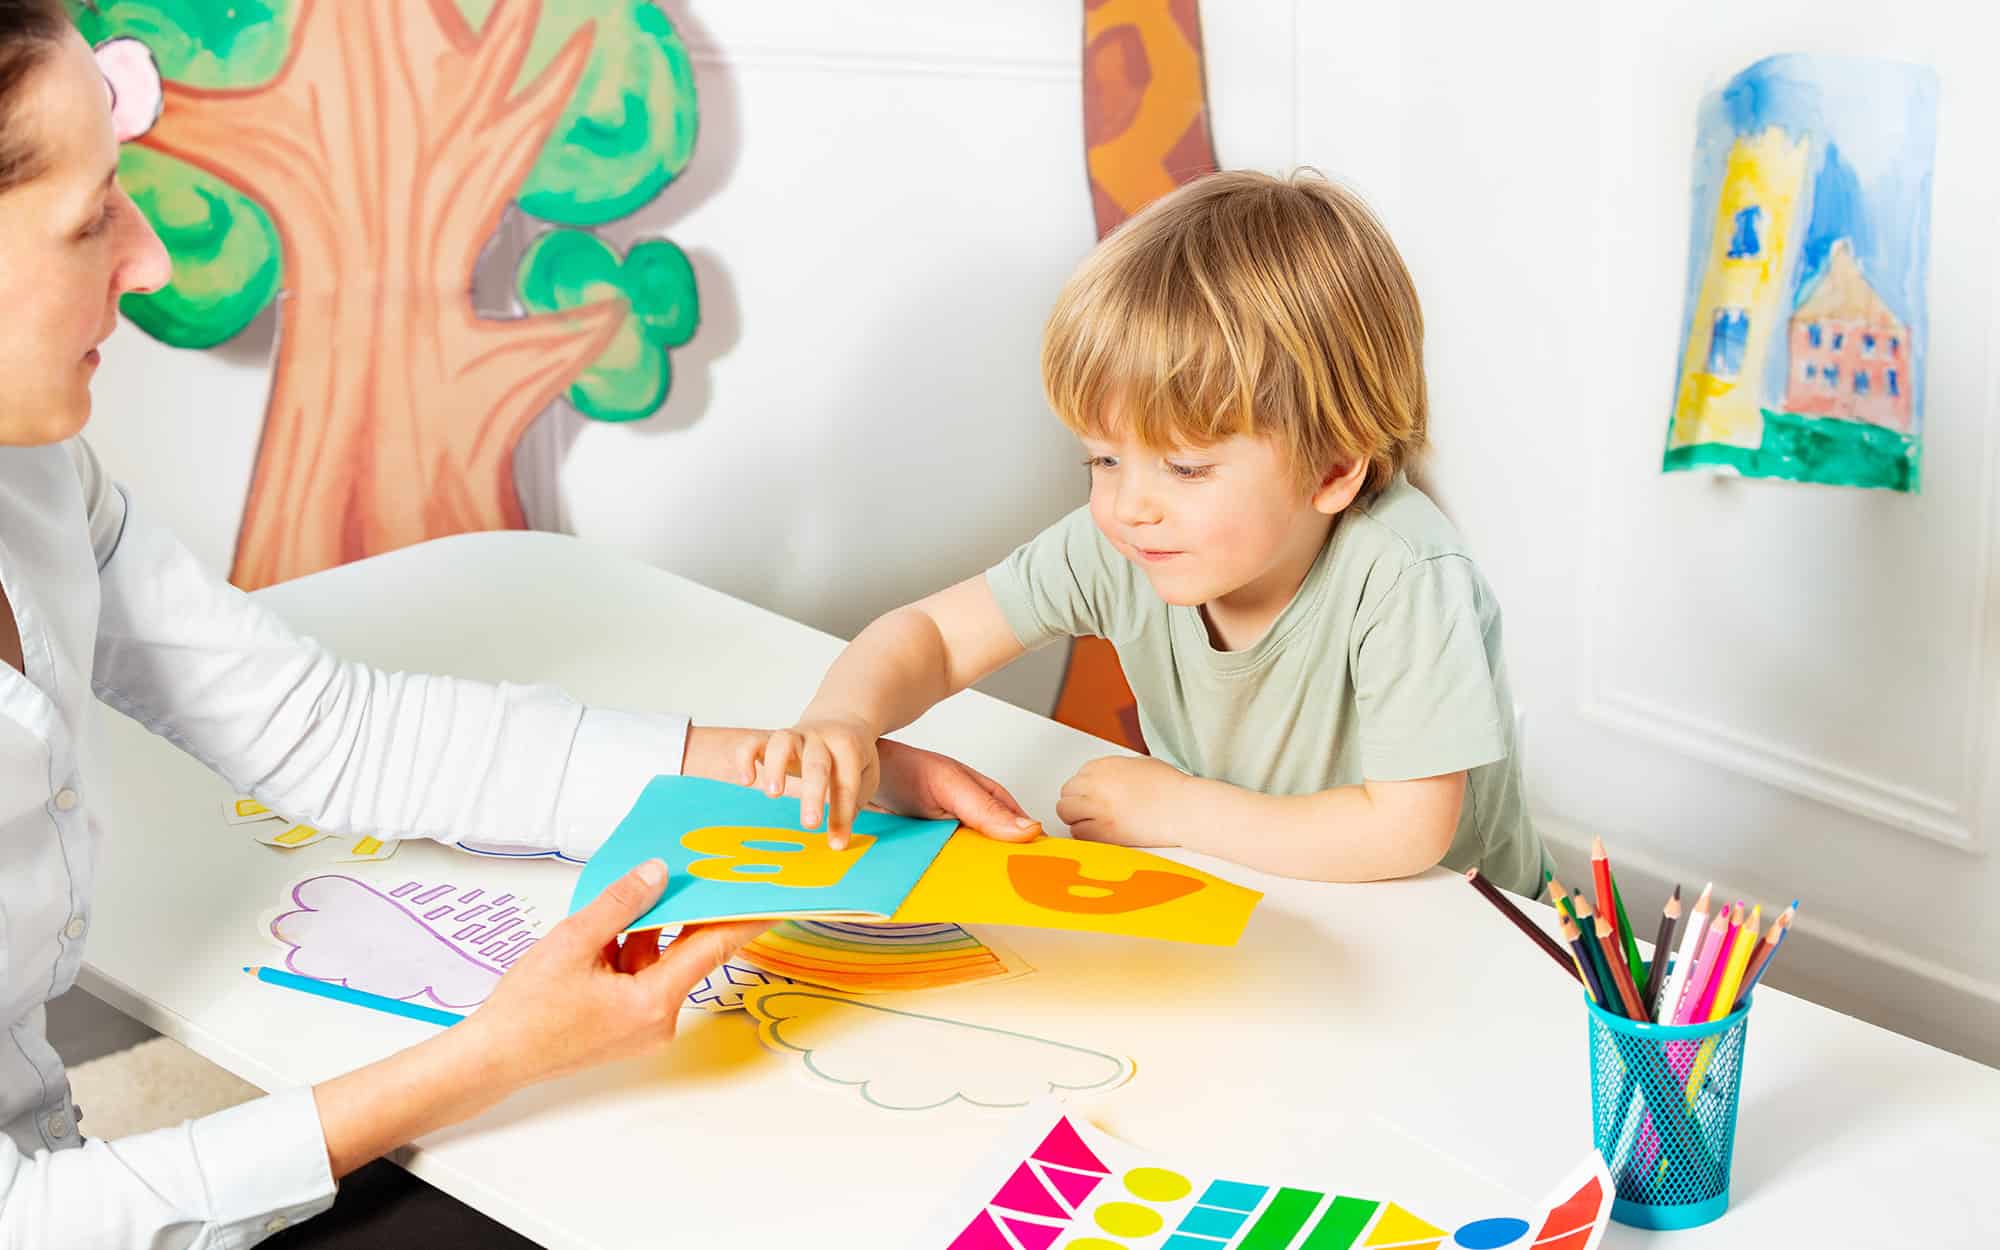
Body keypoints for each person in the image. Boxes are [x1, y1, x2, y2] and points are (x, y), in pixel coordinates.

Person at [0, 6, 1034, 1244]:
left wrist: (781, 770)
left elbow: (324, 730)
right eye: (90, 217)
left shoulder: (38, 471)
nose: (152, 257)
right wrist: (491, 1055)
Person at [759, 169, 1550, 897]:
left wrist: (1177, 809)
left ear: (1332, 470)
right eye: (1103, 457)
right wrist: (845, 717)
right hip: (1272, 894)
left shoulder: (1404, 574)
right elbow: (931, 635)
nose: (1131, 504)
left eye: (1186, 468)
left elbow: (1406, 831)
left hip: (1466, 930)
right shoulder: (1130, 542)